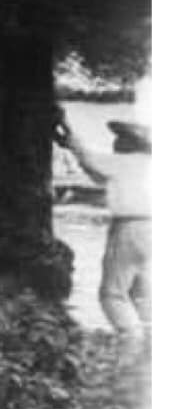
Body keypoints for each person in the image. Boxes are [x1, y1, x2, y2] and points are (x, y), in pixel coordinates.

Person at [56, 110, 150, 340]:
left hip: (129, 227)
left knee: (113, 294)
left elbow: (91, 159)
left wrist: (68, 132)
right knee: (143, 290)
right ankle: (149, 342)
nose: (116, 143)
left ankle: (131, 340)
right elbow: (97, 174)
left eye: (120, 139)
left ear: (130, 143)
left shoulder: (124, 163)